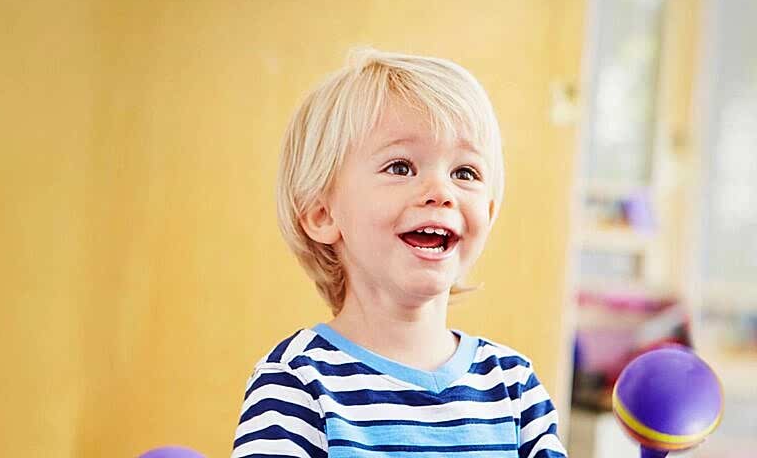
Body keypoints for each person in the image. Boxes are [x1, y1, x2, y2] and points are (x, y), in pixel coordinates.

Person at [230, 48, 566, 457]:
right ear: (322, 214)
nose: (442, 193)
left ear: (490, 213)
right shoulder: (296, 382)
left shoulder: (514, 387)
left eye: (465, 173)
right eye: (401, 167)